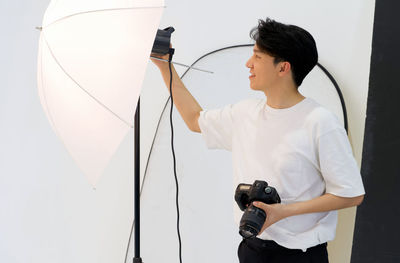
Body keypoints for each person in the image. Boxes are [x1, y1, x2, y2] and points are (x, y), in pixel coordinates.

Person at [151, 18, 365, 263]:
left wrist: (282, 212)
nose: (248, 64)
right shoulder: (244, 114)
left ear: (283, 68)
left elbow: (351, 194)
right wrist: (165, 67)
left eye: (258, 57)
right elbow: (194, 119)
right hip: (252, 249)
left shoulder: (320, 123)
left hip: (301, 256)